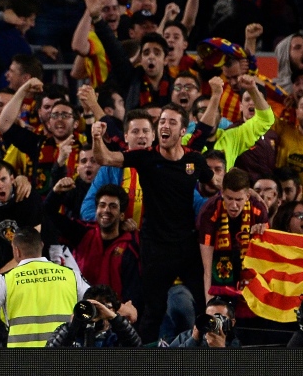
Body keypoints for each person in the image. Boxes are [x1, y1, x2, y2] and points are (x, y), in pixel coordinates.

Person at [91, 103, 214, 343]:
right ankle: (144, 362)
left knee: (203, 305)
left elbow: (213, 185)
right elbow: (105, 157)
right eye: (163, 121)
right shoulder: (146, 157)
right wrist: (97, 138)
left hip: (187, 244)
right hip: (156, 246)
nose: (165, 126)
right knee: (153, 310)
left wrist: (246, 193)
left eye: (172, 122)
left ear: (183, 131)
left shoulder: (194, 160)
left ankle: (209, 354)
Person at [196, 168, 269, 301]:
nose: (234, 205)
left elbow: (266, 260)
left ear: (248, 196)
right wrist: (209, 304)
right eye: (229, 198)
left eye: (239, 199)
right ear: (222, 193)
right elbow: (207, 268)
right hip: (218, 265)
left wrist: (261, 233)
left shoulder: (258, 210)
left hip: (248, 264)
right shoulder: (209, 211)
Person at [45, 285, 141, 348]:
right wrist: (72, 328)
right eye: (94, 307)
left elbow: (136, 348)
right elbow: (49, 360)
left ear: (113, 310)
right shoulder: (72, 332)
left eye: (104, 306)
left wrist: (115, 319)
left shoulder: (117, 335)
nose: (99, 312)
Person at [169, 297, 240, 348]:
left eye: (218, 317)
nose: (212, 321)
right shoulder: (186, 336)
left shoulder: (235, 342)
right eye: (209, 317)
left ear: (232, 322)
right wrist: (193, 340)